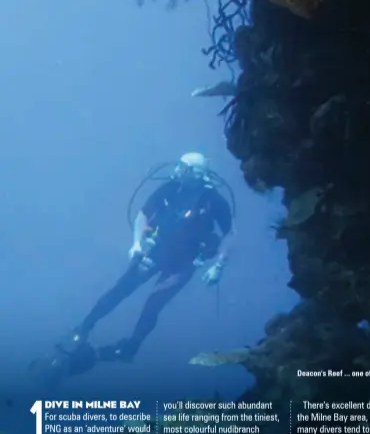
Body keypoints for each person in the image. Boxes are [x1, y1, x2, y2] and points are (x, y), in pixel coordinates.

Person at [39, 152, 234, 381]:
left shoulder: (213, 200)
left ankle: (129, 347)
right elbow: (143, 215)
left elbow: (230, 234)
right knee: (121, 288)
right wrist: (136, 243)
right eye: (179, 165)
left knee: (154, 303)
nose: (178, 170)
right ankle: (83, 327)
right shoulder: (170, 189)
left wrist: (218, 265)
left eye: (184, 167)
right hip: (158, 251)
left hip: (184, 263)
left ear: (196, 173)